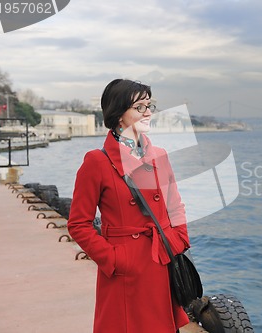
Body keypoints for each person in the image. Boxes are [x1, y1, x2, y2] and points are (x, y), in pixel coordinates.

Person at [68, 79, 191, 333]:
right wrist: (114, 259)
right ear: (118, 115)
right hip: (125, 271)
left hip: (161, 259)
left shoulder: (159, 155)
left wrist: (179, 239)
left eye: (149, 105)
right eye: (139, 107)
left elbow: (175, 207)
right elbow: (78, 224)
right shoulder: (96, 162)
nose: (148, 113)